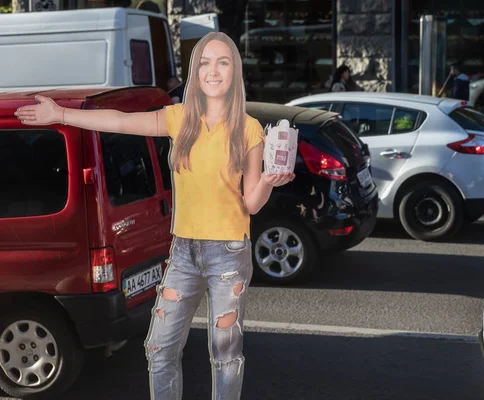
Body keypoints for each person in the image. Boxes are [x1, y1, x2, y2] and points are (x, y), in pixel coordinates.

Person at [14, 31, 295, 400]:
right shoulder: (181, 120)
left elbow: (252, 203)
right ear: (195, 73)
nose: (213, 71)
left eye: (223, 62)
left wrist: (272, 181)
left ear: (234, 73)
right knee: (159, 349)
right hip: (183, 253)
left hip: (228, 253)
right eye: (205, 63)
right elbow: (118, 121)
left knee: (225, 353)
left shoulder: (249, 129)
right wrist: (60, 114)